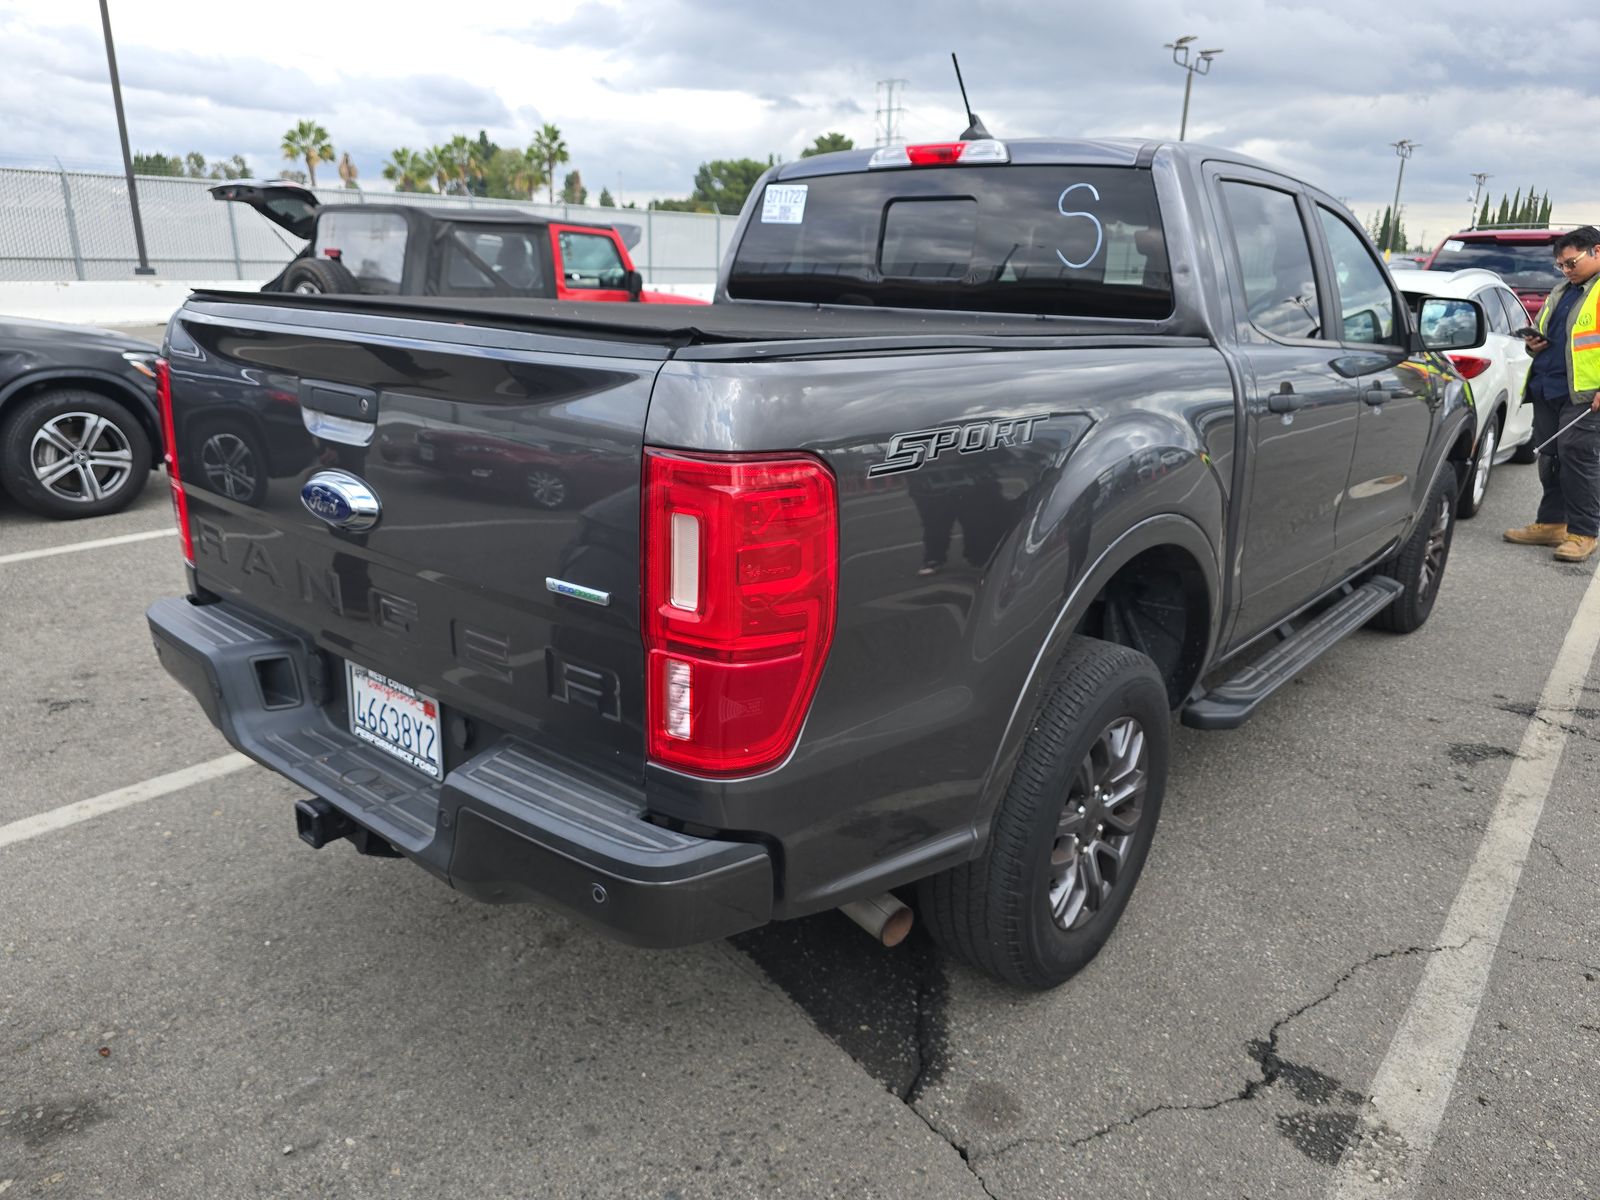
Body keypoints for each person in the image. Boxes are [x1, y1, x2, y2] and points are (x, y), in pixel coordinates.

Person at [1504, 227, 1600, 563]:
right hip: (1549, 386)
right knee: (1550, 460)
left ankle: (1583, 533)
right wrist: (1534, 344)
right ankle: (1552, 523)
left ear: (1597, 252)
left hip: (1585, 396)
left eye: (1571, 262)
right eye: (1560, 265)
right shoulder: (1564, 290)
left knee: (1579, 461)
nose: (1566, 270)